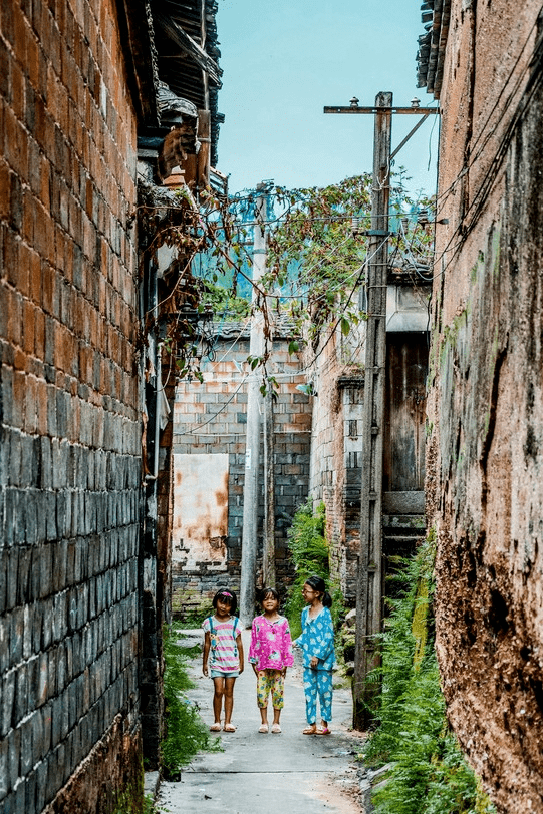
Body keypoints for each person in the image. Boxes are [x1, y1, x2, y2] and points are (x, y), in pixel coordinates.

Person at [248, 587, 294, 734]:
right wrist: (253, 663)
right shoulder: (257, 622)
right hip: (262, 665)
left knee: (278, 693)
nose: (269, 601)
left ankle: (276, 721)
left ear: (278, 602)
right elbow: (254, 642)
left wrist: (286, 663)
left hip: (278, 666)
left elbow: (287, 643)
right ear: (261, 603)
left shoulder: (283, 622)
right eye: (266, 599)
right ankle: (264, 721)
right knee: (262, 693)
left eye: (272, 598)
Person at [294, 575, 335, 735]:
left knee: (325, 693)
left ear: (317, 593)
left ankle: (324, 724)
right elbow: (306, 634)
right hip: (307, 661)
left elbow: (328, 637)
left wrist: (317, 656)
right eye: (303, 590)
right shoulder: (305, 612)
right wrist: (294, 643)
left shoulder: (325, 613)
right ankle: (311, 723)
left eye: (306, 590)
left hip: (323, 662)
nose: (303, 593)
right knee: (309, 693)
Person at [202, 588, 244, 732]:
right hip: (217, 663)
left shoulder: (235, 623)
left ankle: (228, 722)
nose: (223, 606)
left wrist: (241, 662)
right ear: (216, 602)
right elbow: (207, 644)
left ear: (232, 607)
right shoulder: (209, 623)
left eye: (227, 604)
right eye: (221, 602)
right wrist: (205, 663)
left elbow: (239, 644)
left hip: (232, 664)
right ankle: (216, 721)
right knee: (219, 691)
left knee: (229, 692)